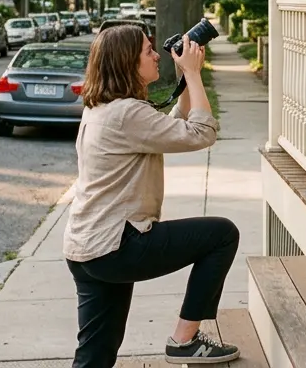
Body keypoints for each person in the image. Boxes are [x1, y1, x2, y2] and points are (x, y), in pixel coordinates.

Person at [63, 24, 240, 367]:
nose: (157, 54)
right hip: (117, 246)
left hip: (87, 249)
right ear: (128, 62)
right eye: (148, 50)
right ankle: (184, 341)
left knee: (95, 356)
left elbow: (174, 126)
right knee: (221, 235)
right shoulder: (127, 113)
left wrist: (184, 79)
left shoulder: (106, 108)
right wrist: (193, 73)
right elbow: (201, 132)